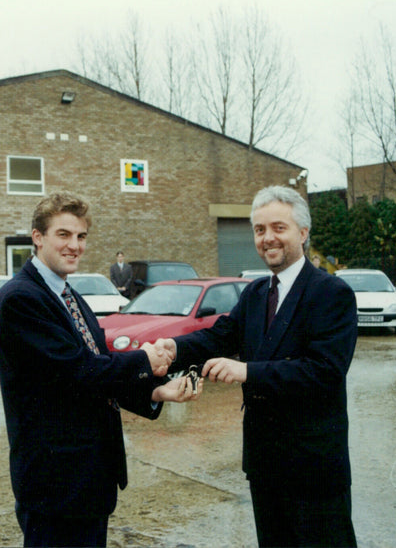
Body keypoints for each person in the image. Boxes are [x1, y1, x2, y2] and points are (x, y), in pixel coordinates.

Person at [153, 185, 358, 548]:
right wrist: (174, 347)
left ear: (303, 233)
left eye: (279, 227)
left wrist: (248, 371)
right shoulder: (256, 293)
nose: (267, 238)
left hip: (314, 470)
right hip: (265, 466)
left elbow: (324, 372)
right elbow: (218, 338)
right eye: (260, 230)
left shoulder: (331, 293)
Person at [0, 192, 201, 547]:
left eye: (81, 236)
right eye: (64, 235)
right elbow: (79, 371)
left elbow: (97, 370)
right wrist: (144, 360)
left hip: (87, 482)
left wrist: (155, 389)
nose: (75, 245)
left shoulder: (69, 295)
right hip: (56, 487)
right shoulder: (22, 298)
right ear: (37, 237)